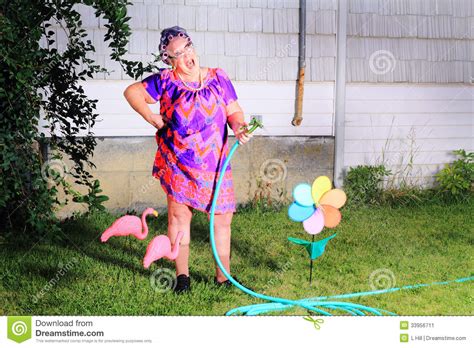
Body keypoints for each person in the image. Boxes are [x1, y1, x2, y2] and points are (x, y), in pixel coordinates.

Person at [123, 26, 253, 293]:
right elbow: (132, 92)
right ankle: (183, 278)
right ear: (169, 60)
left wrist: (240, 126)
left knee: (222, 220)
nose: (187, 57)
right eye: (177, 54)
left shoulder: (218, 77)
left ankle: (223, 278)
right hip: (180, 162)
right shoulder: (166, 81)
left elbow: (234, 111)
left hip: (216, 164)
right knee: (179, 218)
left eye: (188, 48)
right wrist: (151, 117)